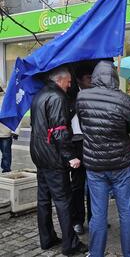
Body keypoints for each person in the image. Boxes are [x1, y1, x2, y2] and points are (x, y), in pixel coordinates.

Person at [76, 61, 130, 257]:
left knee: (98, 214)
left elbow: (84, 125)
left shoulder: (82, 97)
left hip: (94, 164)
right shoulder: (124, 100)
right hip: (121, 164)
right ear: (114, 77)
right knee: (126, 211)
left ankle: (95, 253)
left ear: (96, 77)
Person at [30, 67, 87, 256]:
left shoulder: (39, 94)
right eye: (69, 82)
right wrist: (70, 156)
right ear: (60, 80)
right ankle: (70, 244)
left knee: (43, 200)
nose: (70, 85)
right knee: (63, 200)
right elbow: (60, 131)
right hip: (53, 157)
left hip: (39, 154)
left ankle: (47, 239)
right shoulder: (57, 97)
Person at [70, 68, 93, 235]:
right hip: (76, 142)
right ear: (79, 80)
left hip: (92, 142)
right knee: (77, 185)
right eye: (87, 77)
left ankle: (95, 218)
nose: (91, 80)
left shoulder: (94, 94)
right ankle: (77, 220)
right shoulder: (71, 97)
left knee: (94, 183)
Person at [0, 86, 20, 173]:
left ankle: (6, 170)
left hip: (5, 132)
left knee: (6, 153)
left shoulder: (7, 99)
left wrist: (15, 131)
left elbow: (16, 115)